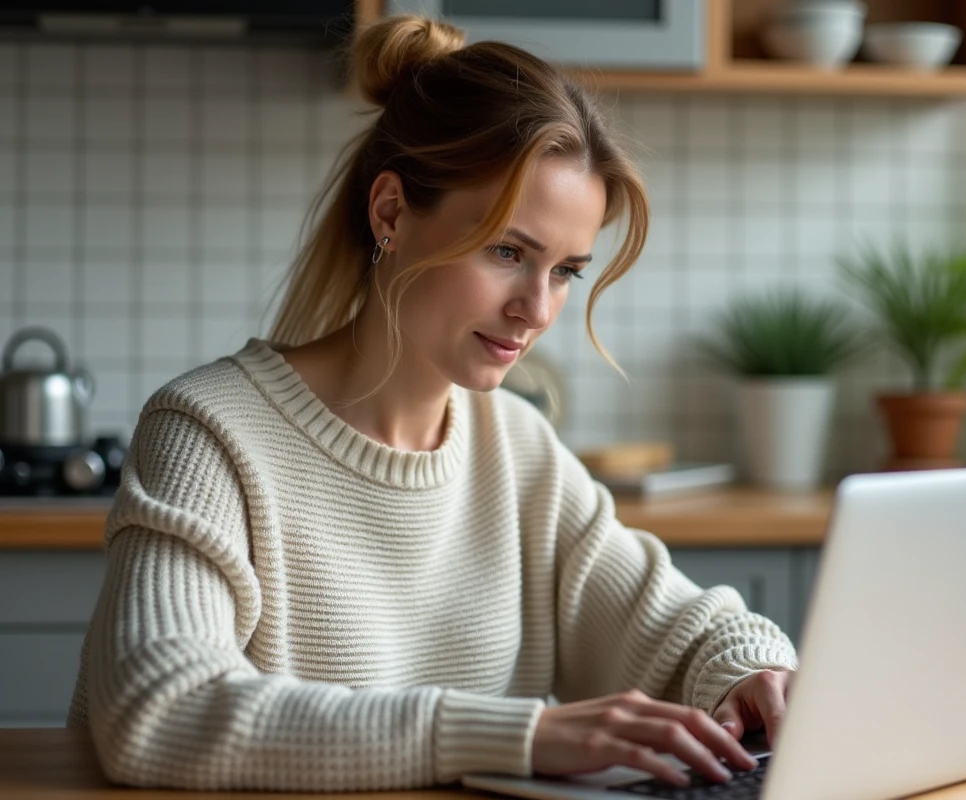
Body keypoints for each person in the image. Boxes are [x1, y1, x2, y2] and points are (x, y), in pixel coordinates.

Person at [66, 15, 799, 792]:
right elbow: (157, 709)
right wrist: (519, 734)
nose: (537, 310)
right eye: (507, 252)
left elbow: (676, 627)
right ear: (390, 213)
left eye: (565, 272)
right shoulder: (209, 433)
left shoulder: (519, 447)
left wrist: (750, 670)